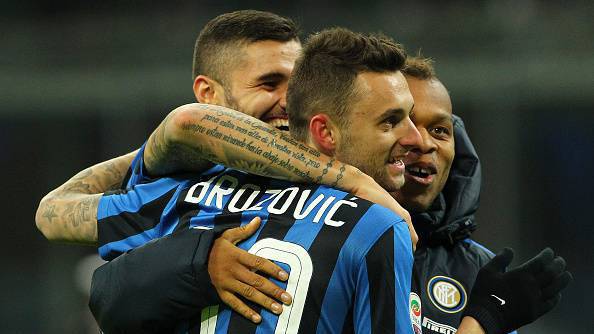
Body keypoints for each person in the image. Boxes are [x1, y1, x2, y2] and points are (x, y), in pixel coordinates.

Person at [90, 28, 570, 333]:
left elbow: (61, 220)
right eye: (393, 121)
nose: (415, 139)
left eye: (437, 128)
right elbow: (106, 293)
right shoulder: (371, 227)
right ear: (325, 129)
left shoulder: (474, 269)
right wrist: (199, 260)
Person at [35, 10, 404, 322]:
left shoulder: (356, 173)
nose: (289, 101)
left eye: (296, 85)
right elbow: (52, 214)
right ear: (209, 94)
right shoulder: (179, 192)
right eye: (269, 83)